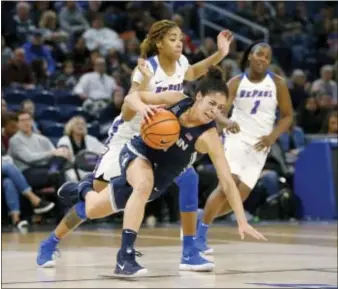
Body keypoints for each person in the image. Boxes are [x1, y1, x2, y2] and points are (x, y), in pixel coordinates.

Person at [36, 20, 235, 271]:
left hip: (164, 139)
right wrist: (144, 103)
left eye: (181, 38)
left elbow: (193, 72)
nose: (178, 43)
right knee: (94, 206)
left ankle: (189, 251)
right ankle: (54, 236)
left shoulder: (182, 63)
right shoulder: (145, 68)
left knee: (189, 178)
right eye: (172, 38)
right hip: (130, 136)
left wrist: (221, 54)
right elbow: (128, 109)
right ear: (159, 42)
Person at [194, 42, 293, 254]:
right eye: (259, 54)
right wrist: (227, 122)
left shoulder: (278, 83)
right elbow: (219, 111)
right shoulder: (236, 82)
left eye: (267, 57)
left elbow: (288, 116)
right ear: (250, 56)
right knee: (228, 185)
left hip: (261, 145)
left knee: (239, 198)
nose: (262, 59)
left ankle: (201, 217)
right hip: (236, 139)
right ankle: (199, 236)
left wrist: (272, 137)